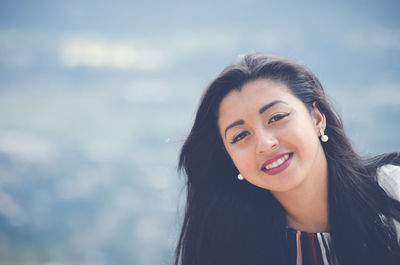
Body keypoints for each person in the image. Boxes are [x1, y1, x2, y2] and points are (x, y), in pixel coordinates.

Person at [174, 53, 400, 265]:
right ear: (228, 157)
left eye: (277, 117)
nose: (265, 144)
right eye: (241, 135)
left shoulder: (392, 190)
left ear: (317, 118)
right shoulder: (231, 251)